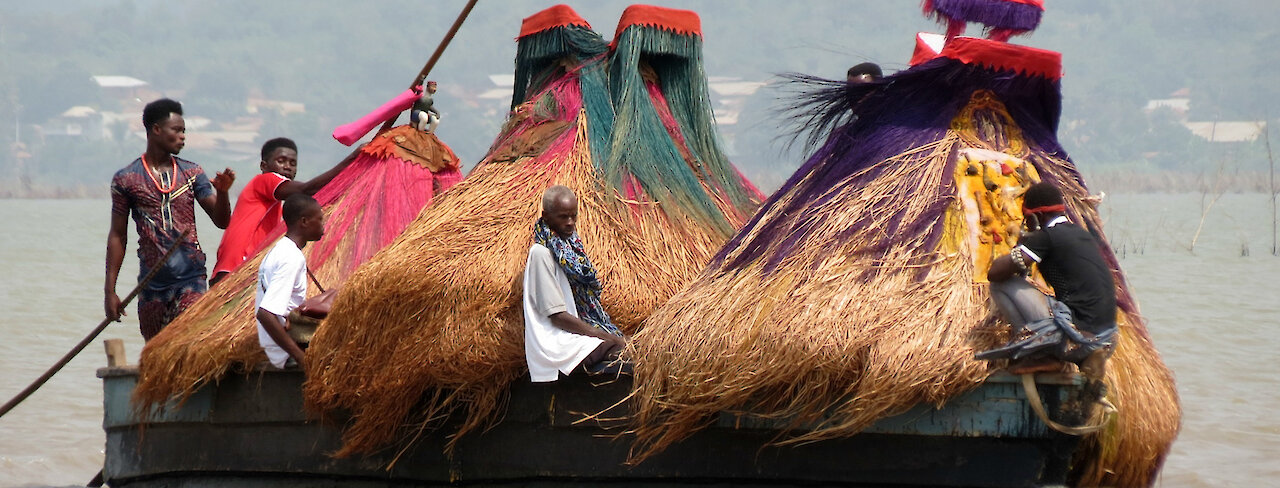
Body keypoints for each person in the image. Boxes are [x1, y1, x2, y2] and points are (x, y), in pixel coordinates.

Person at [105, 98, 234, 340]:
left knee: (189, 342)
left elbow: (222, 221)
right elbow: (117, 236)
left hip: (191, 280)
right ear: (156, 130)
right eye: (176, 130)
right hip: (151, 287)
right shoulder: (126, 180)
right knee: (156, 354)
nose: (183, 136)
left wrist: (224, 193)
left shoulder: (192, 173)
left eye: (184, 131)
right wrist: (109, 291)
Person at [976, 182, 1117, 377]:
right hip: (1107, 338)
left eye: (1027, 219)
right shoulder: (1080, 233)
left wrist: (1022, 246)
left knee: (1001, 285)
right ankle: (1060, 351)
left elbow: (996, 273)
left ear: (1036, 216)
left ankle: (1037, 351)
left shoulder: (1046, 237)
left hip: (1077, 340)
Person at [209, 138, 360, 284]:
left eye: (293, 163)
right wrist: (352, 159)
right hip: (235, 270)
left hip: (235, 271)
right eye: (281, 161)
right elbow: (307, 189)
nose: (287, 166)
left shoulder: (274, 204)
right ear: (264, 166)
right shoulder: (265, 180)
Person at [522, 185, 627, 381]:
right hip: (554, 342)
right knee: (619, 349)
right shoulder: (541, 253)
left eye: (573, 216)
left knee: (625, 344)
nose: (570, 223)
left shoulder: (569, 249)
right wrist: (605, 337)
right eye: (563, 217)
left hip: (568, 335)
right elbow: (557, 317)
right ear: (546, 217)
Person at [256, 193, 326, 369]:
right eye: (320, 219)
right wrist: (300, 356)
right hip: (285, 353)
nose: (323, 224)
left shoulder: (281, 250)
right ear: (304, 222)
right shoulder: (291, 258)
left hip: (278, 346)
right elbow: (265, 314)